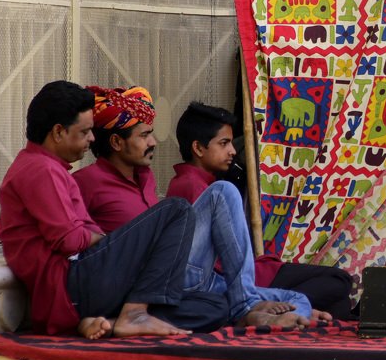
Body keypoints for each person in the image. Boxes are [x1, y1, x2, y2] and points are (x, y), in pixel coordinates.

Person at [74, 86, 324, 328]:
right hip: (144, 282)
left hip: (178, 276)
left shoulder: (146, 178)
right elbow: (79, 247)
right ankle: (245, 306)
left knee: (296, 299)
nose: (153, 142)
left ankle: (261, 313)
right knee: (223, 192)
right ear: (117, 142)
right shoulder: (86, 181)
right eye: (144, 135)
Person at [0, 81, 228, 338]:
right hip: (70, 285)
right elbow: (70, 240)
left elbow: (80, 232)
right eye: (85, 131)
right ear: (59, 132)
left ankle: (111, 321)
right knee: (178, 209)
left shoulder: (48, 168)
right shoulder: (42, 169)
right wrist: (113, 241)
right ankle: (135, 314)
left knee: (215, 305)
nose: (92, 138)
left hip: (86, 285)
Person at [168, 101, 353, 319]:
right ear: (198, 148)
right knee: (338, 282)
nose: (232, 151)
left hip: (246, 273)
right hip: (232, 280)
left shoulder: (202, 183)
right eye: (224, 143)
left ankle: (293, 314)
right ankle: (265, 309)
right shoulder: (198, 188)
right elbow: (212, 259)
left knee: (337, 298)